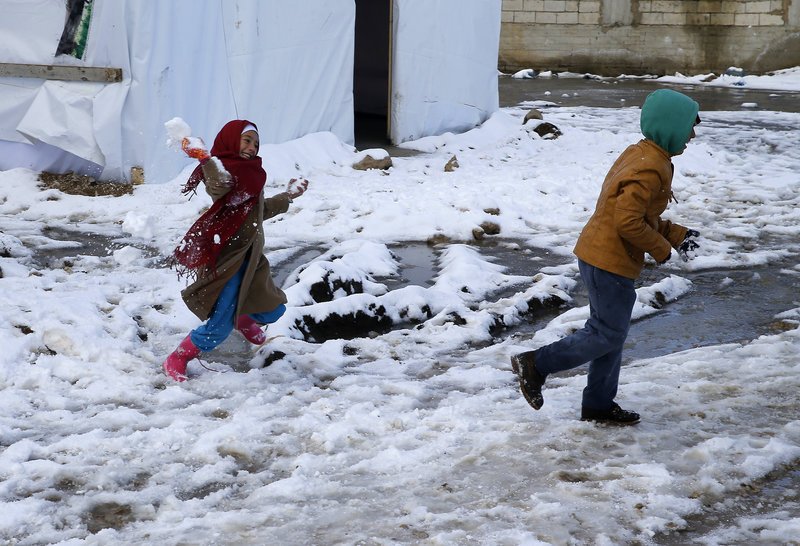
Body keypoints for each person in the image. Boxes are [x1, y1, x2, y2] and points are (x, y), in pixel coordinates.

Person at [510, 88, 702, 425]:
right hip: (607, 261)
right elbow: (627, 221)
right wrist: (660, 249)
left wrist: (676, 234)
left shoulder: (645, 154)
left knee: (611, 333)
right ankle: (536, 364)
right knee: (606, 333)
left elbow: (638, 214)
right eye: (689, 127)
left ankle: (598, 404)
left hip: (604, 256)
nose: (692, 135)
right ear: (670, 127)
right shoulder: (650, 167)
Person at [163, 119, 308, 382]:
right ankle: (179, 357)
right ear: (231, 140)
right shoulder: (225, 173)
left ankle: (242, 318)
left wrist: (287, 196)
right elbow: (218, 184)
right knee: (218, 328)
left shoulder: (251, 175)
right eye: (247, 140)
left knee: (273, 309)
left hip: (251, 259)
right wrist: (206, 159)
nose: (252, 147)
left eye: (256, 143)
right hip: (227, 262)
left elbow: (260, 210)